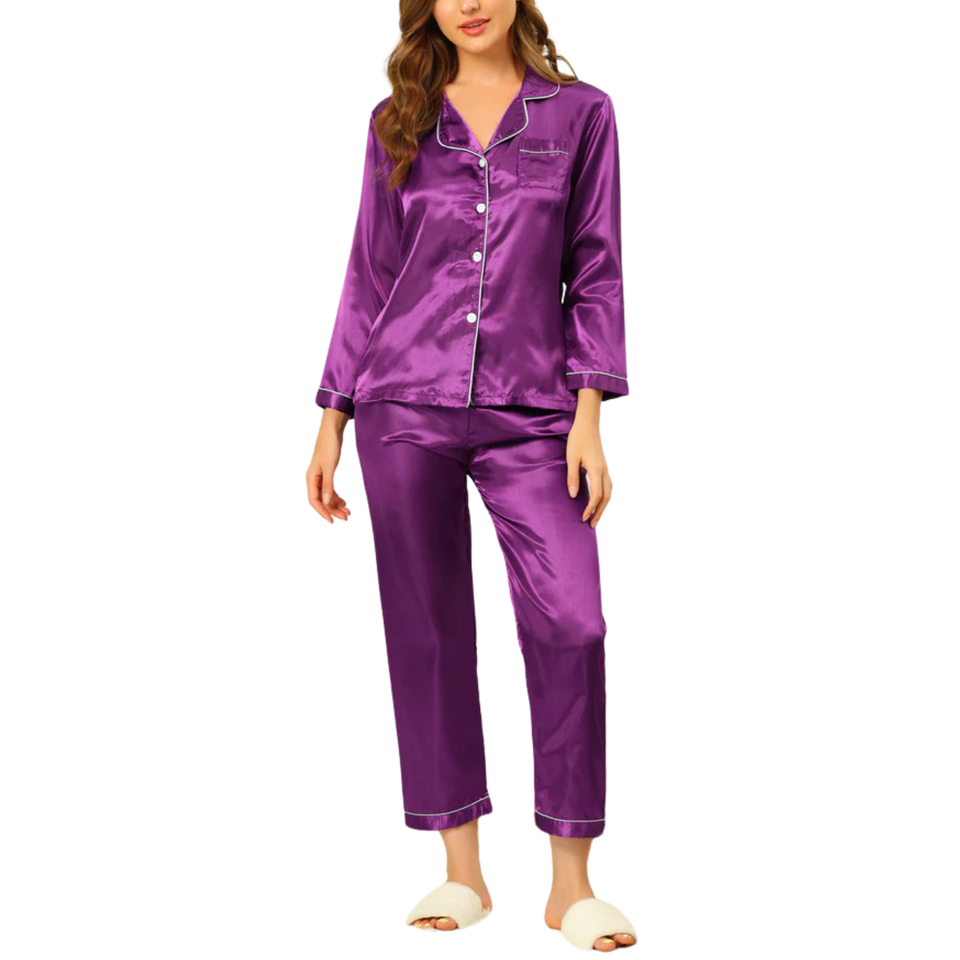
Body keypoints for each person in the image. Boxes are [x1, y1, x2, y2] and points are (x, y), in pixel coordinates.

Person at [306, 1, 635, 951]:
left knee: (572, 622)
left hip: (536, 410)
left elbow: (597, 268)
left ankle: (570, 886)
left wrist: (589, 413)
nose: (471, 2)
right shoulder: (397, 119)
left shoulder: (581, 115)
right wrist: (331, 415)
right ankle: (462, 872)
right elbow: (370, 275)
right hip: (402, 406)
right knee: (430, 630)